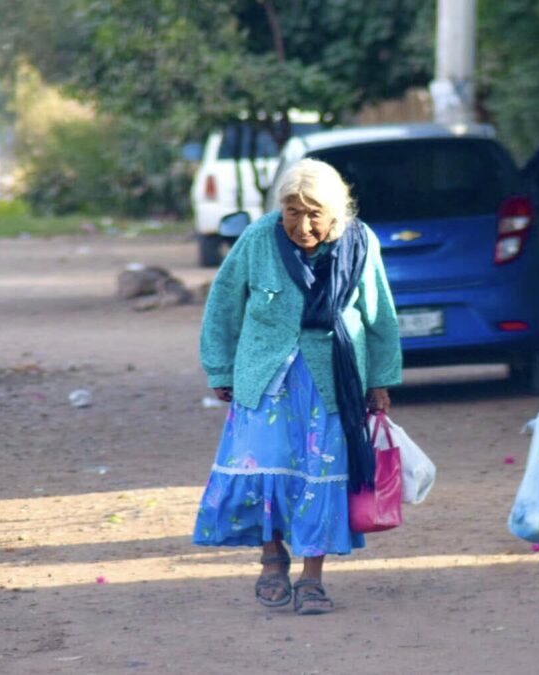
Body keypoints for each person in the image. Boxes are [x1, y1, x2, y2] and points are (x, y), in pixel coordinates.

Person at [193, 158, 402, 614]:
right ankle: (271, 557)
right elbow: (224, 305)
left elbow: (379, 314)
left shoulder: (360, 243)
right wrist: (221, 369)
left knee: (320, 476)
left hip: (332, 381)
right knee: (265, 469)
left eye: (314, 213)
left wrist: (382, 380)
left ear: (335, 212)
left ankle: (312, 579)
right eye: (292, 211)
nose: (302, 225)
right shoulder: (257, 239)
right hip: (266, 379)